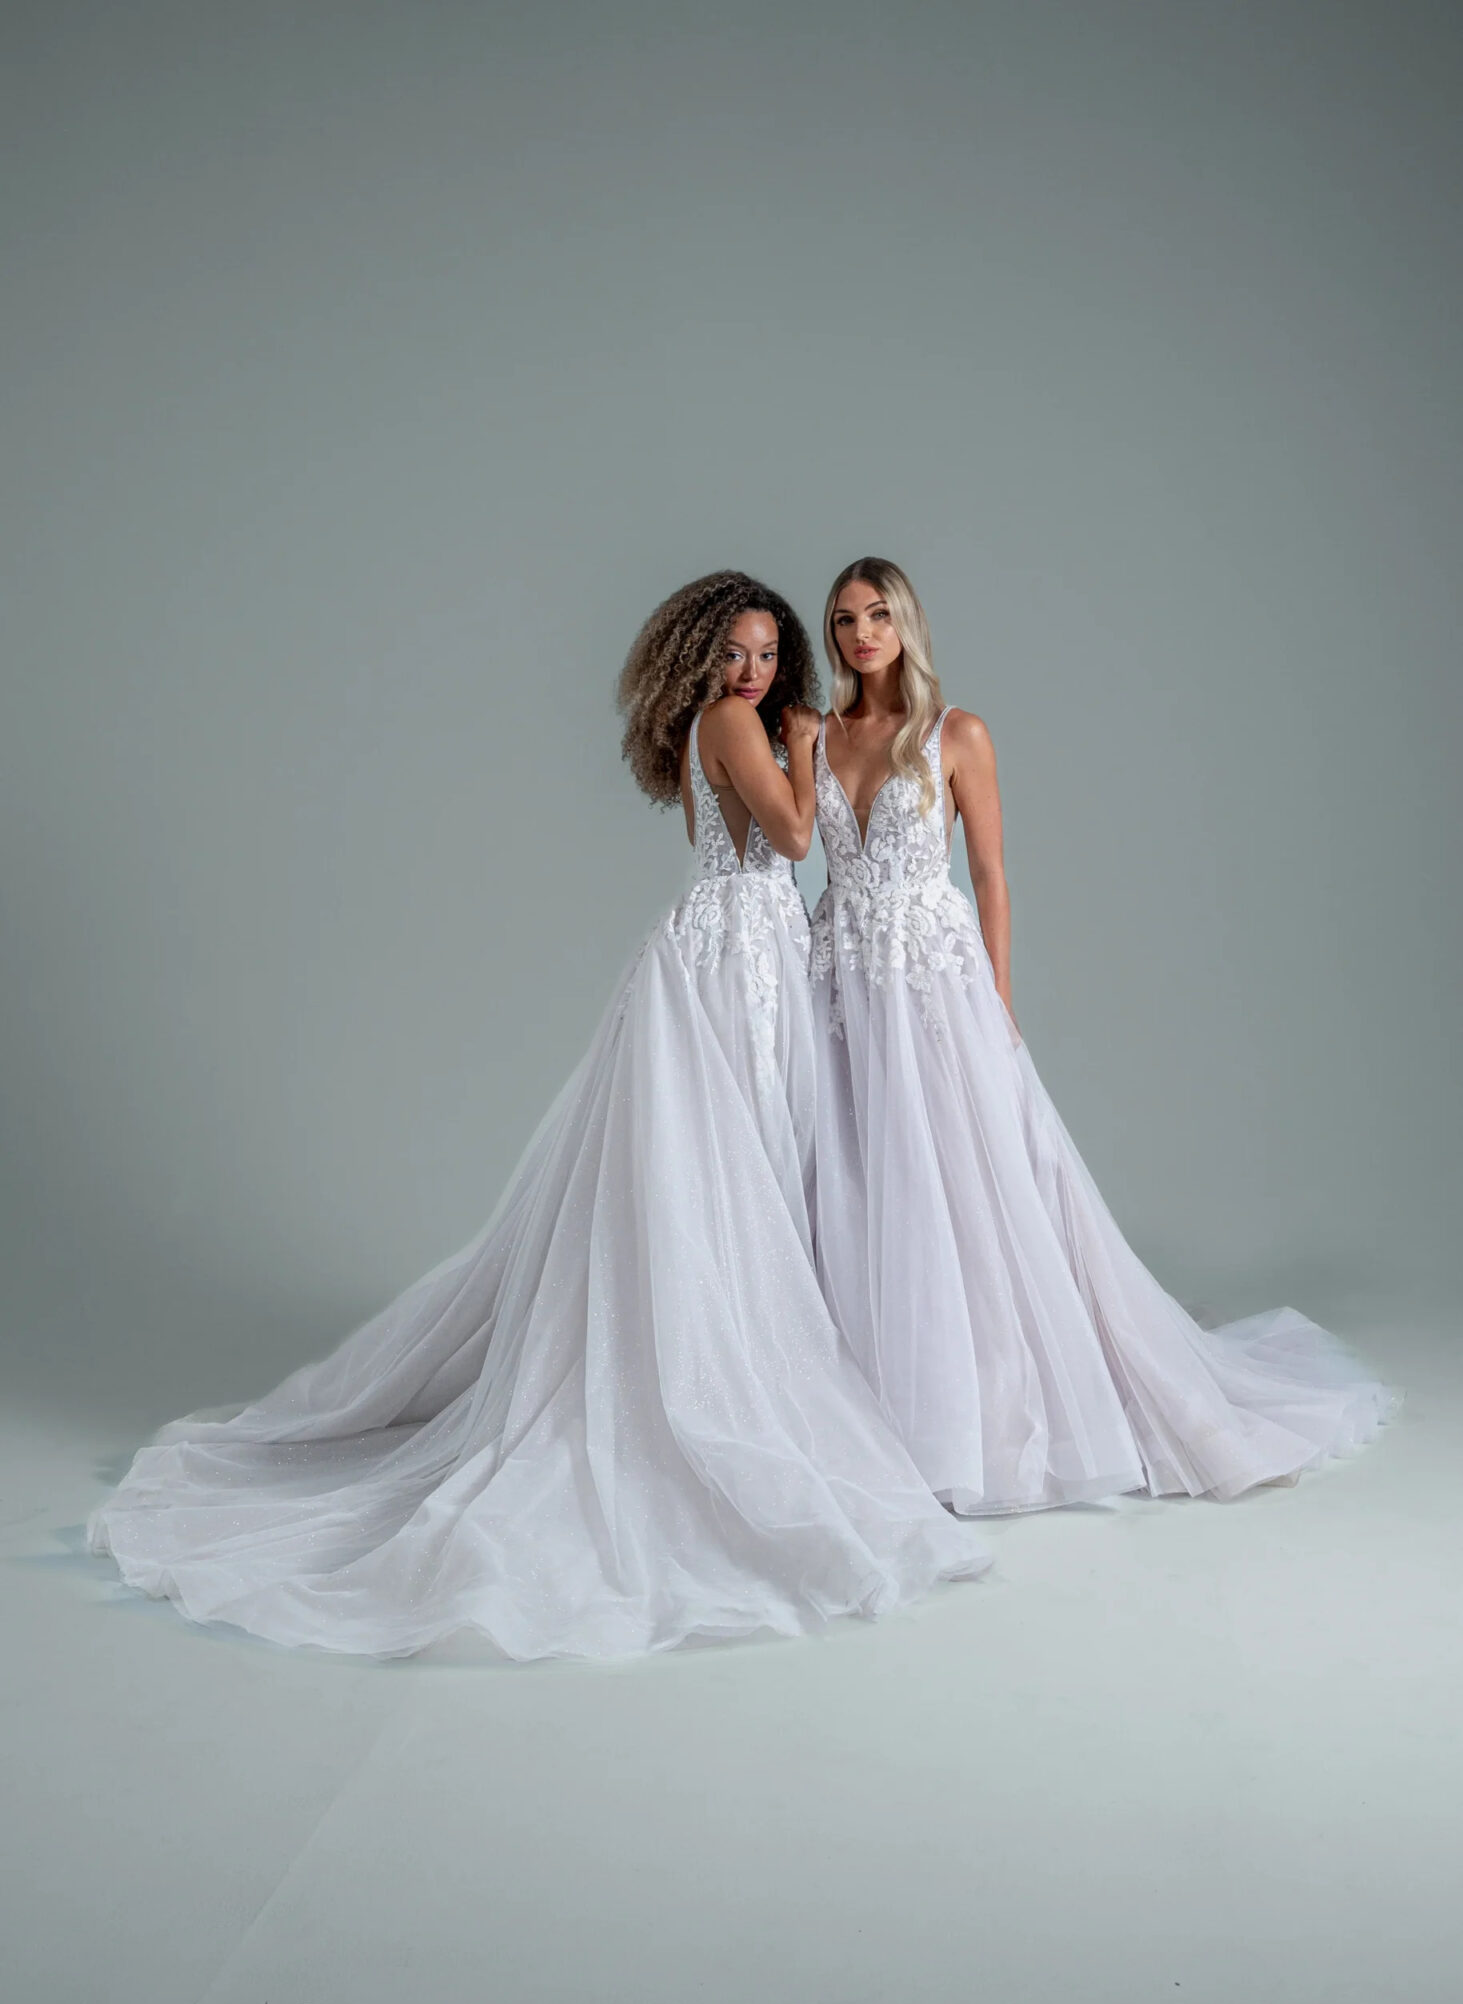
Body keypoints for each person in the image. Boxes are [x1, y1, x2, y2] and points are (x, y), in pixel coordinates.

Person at [88, 570, 989, 1659]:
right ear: (700, 660)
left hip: (738, 949)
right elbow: (795, 843)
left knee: (740, 1174)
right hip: (739, 960)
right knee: (734, 1172)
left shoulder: (719, 725)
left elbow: (749, 861)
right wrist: (803, 748)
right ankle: (729, 1394)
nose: (752, 670)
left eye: (764, 653)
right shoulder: (732, 724)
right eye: (734, 653)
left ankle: (747, 1366)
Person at [808, 555, 1394, 1514]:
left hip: (931, 980)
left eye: (878, 614)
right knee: (859, 1174)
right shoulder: (818, 735)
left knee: (962, 1177)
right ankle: (872, 1397)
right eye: (842, 619)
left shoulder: (957, 733)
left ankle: (977, 1406)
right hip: (839, 978)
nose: (861, 633)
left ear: (907, 624)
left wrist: (996, 1002)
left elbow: (990, 875)